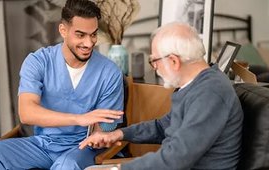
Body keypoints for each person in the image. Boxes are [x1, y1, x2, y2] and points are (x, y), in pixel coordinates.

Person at [0, 0, 124, 169]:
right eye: (80, 35)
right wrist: (79, 119)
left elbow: (106, 125)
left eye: (93, 34)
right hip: (43, 145)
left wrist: (101, 134)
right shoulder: (38, 62)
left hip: (83, 147)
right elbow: (26, 113)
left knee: (67, 164)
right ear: (63, 30)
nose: (89, 43)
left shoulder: (110, 72)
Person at [80, 22, 243, 170]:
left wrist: (120, 169)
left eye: (154, 61)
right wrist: (120, 134)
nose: (155, 68)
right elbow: (162, 126)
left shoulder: (209, 93)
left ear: (173, 61)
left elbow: (177, 158)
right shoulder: (195, 86)